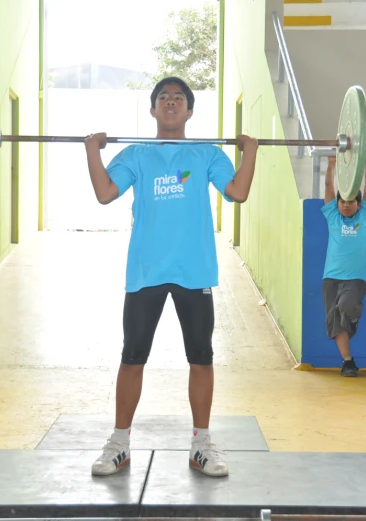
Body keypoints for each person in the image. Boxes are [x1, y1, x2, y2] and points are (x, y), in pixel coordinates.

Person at [83, 77, 258, 478]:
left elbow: (239, 192)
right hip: (146, 271)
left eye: (179, 97)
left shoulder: (206, 155)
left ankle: (201, 444)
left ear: (190, 111)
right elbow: (106, 193)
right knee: (132, 357)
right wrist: (92, 150)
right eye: (163, 97)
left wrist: (251, 153)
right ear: (153, 110)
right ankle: (119, 444)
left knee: (201, 357)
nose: (171, 101)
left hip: (193, 270)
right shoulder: (138, 154)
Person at [321, 156, 366, 377]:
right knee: (335, 323)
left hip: (355, 278)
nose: (345, 205)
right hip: (331, 278)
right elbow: (328, 187)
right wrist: (331, 165)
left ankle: (353, 317)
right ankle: (347, 362)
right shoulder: (333, 216)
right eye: (342, 201)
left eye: (350, 202)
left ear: (358, 204)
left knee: (346, 307)